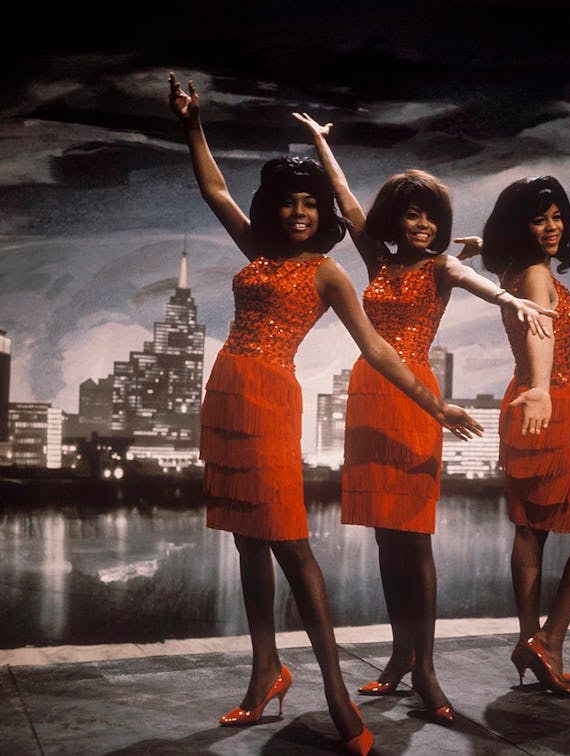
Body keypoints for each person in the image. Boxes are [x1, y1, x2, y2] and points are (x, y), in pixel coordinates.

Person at [168, 73, 483, 755]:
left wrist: (437, 402)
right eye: (291, 202)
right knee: (246, 541)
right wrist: (193, 124)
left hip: (271, 400)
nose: (302, 212)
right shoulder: (258, 250)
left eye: (313, 203)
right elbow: (215, 191)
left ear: (324, 215)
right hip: (224, 390)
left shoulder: (329, 273)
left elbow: (380, 349)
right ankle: (264, 676)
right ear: (276, 208)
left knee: (292, 545)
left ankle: (337, 693)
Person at [294, 112, 557, 723]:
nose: (422, 224)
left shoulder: (442, 267)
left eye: (430, 215)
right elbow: (348, 202)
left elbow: (475, 280)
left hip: (417, 400)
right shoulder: (377, 262)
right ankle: (399, 657)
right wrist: (321, 146)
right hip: (370, 396)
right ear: (397, 218)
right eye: (411, 214)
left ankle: (428, 671)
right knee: (388, 539)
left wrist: (513, 296)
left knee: (416, 540)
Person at [478, 175, 570, 697]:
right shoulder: (535, 273)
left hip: (529, 403)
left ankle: (528, 642)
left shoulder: (512, 269)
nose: (553, 226)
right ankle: (550, 641)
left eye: (557, 215)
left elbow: (499, 269)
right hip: (548, 403)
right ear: (521, 226)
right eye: (539, 218)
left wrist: (481, 250)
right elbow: (543, 332)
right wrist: (542, 389)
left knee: (530, 528)